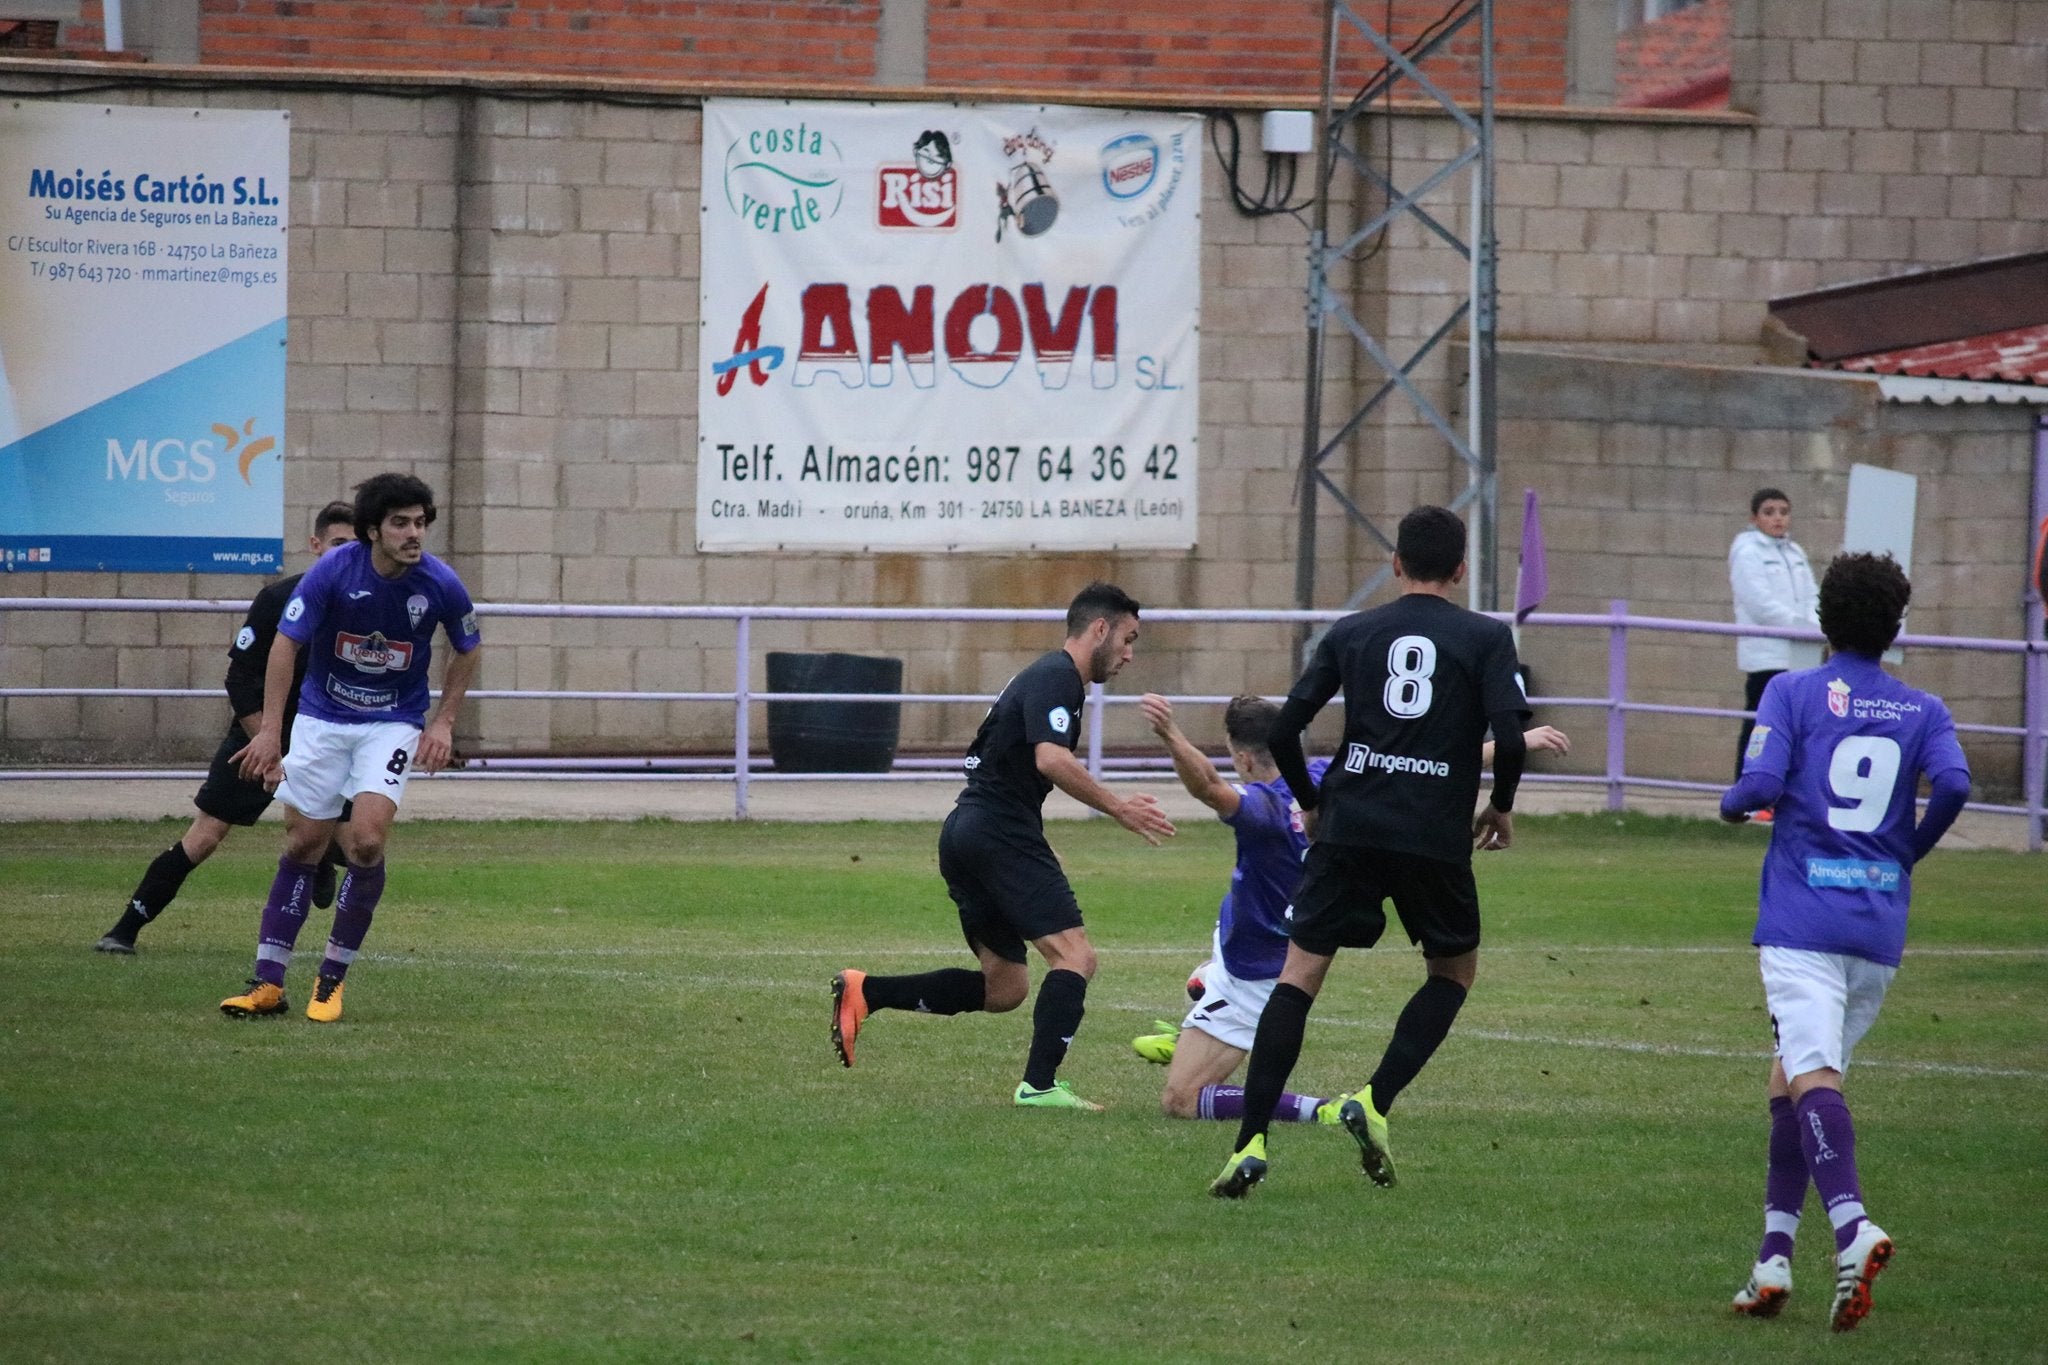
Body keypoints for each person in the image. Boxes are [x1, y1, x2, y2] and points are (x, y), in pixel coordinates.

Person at [1210, 505, 1530, 1198]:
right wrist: (1500, 805)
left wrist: (1312, 802)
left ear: (1394, 563)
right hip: (1433, 834)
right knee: (1452, 972)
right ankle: (1374, 1098)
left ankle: (1250, 1143)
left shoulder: (1353, 631)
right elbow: (1508, 737)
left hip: (1352, 825)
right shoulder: (1485, 637)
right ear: (1461, 569)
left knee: (1298, 976)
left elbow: (1288, 726)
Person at [1719, 551, 1969, 1333]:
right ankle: (1772, 1256)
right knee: (1790, 1075)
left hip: (1802, 920)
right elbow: (1957, 785)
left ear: (1823, 620)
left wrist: (1730, 802)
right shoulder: (1922, 708)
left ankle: (1854, 1227)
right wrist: (1906, 854)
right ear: (1896, 627)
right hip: (1875, 928)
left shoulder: (1794, 691)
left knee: (1813, 1073)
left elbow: (1758, 788)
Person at [1133, 692, 1568, 1129]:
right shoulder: (1333, 779)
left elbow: (1206, 785)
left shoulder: (1262, 811)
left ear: (1244, 761)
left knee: (1181, 1099)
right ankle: (1198, 1015)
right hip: (1263, 936)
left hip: (1257, 971)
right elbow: (1428, 764)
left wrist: (1171, 734)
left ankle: (1322, 1108)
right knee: (1204, 972)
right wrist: (1519, 742)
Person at [830, 582, 1178, 1110]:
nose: (1130, 654)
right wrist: (1120, 808)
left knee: (1005, 987)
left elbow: (1009, 765)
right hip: (994, 832)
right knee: (1075, 957)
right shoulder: (1058, 676)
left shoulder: (1047, 678)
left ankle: (867, 992)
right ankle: (1039, 1087)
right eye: (1128, 639)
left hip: (970, 830)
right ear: (1100, 629)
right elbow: (1050, 760)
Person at [218, 473, 482, 1023]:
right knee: (302, 845)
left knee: (364, 843)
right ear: (371, 531)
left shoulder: (440, 583)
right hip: (321, 719)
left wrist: (444, 722)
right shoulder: (332, 572)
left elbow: (468, 646)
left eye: (420, 523)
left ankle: (329, 982)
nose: (415, 533)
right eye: (401, 523)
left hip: (391, 724)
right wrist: (270, 731)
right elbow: (286, 644)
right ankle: (268, 984)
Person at [95, 503, 358, 954]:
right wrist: (266, 740)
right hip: (258, 738)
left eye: (355, 547)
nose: (345, 554)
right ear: (315, 546)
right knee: (205, 836)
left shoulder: (365, 609)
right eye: (337, 544)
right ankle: (123, 931)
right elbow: (239, 677)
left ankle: (323, 866)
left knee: (356, 847)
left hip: (326, 742)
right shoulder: (279, 599)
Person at [1730, 488, 1820, 796]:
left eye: (1783, 511)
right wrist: (1800, 626)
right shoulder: (1747, 552)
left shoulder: (1795, 552)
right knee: (1760, 724)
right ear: (1754, 518)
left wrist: (1814, 625)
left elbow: (1812, 595)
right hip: (1767, 656)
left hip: (1800, 655)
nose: (1778, 518)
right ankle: (1747, 793)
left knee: (1796, 727)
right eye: (1769, 512)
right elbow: (1759, 604)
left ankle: (1785, 793)